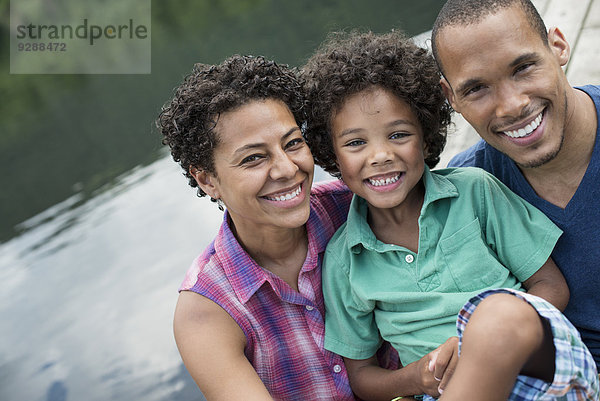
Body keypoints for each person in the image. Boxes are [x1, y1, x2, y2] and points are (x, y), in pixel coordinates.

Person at [302, 30, 598, 401]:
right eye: (356, 143)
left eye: (398, 135)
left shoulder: (475, 191)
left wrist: (479, 345)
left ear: (426, 138)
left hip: (542, 369)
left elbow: (551, 287)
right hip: (442, 392)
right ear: (332, 156)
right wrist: (414, 379)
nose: (379, 156)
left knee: (497, 314)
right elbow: (361, 376)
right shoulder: (345, 260)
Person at [156, 55, 398, 401]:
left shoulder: (356, 206)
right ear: (208, 180)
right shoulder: (206, 311)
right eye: (254, 157)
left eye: (293, 143)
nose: (287, 169)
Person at [432, 0, 600, 371]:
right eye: (476, 88)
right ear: (451, 98)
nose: (511, 106)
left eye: (523, 68)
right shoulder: (467, 194)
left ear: (557, 46)